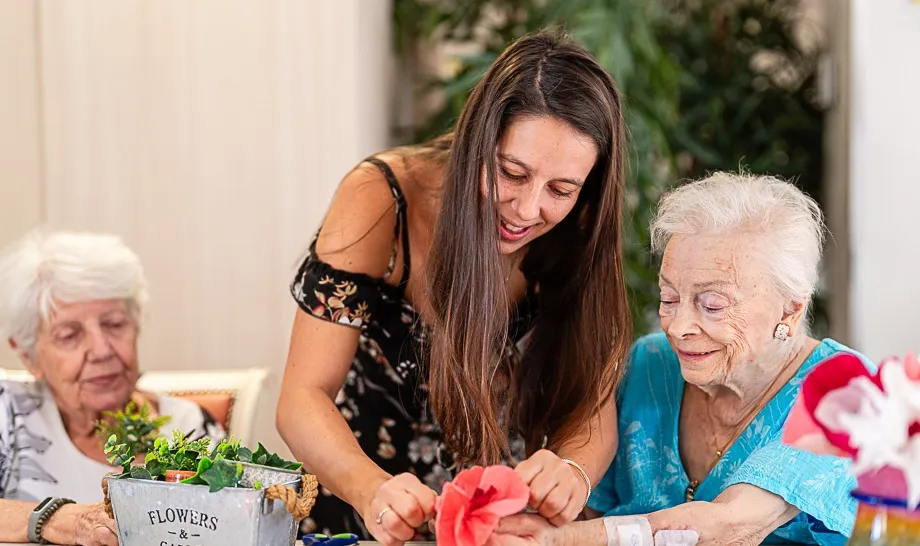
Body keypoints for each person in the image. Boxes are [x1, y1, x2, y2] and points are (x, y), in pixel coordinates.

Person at [276, 30, 630, 544]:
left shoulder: (580, 225)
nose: (529, 210)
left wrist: (572, 470)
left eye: (560, 189)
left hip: (501, 527)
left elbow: (593, 403)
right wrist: (371, 489)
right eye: (512, 173)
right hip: (361, 509)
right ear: (475, 143)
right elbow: (302, 398)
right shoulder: (381, 199)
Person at [489, 173, 868, 546]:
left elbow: (727, 528)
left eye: (713, 305)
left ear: (789, 311)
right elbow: (590, 508)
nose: (678, 327)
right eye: (669, 298)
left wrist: (558, 541)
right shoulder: (649, 364)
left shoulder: (844, 390)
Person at [0, 230, 224, 545]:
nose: (102, 349)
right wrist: (58, 519)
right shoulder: (7, 413)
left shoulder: (188, 427)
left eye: (114, 324)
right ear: (28, 356)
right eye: (69, 334)